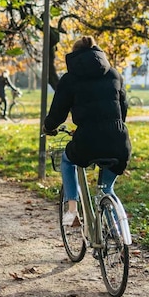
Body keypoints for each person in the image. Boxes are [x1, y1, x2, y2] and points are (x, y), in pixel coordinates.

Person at [43, 36, 131, 228]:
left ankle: (73, 210)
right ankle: (117, 233)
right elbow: (123, 108)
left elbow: (58, 112)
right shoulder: (114, 74)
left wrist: (48, 127)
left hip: (87, 140)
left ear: (74, 56)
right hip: (119, 139)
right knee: (107, 188)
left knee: (67, 160)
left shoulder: (70, 79)